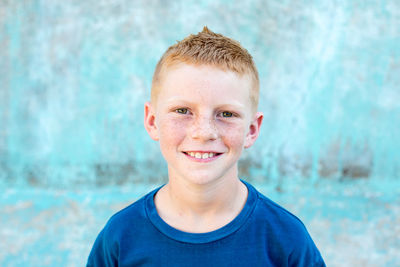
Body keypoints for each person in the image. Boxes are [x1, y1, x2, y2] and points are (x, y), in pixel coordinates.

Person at [87, 27, 326, 267]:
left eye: (226, 114)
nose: (203, 133)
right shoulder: (120, 237)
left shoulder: (286, 241)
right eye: (182, 111)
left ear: (252, 130)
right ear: (152, 121)